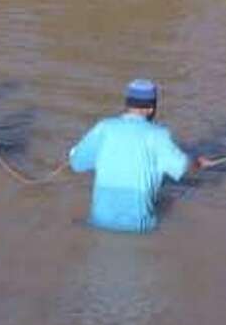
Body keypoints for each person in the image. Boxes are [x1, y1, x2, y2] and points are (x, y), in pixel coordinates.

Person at [68, 78, 210, 232]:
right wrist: (198, 163)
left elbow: (76, 163)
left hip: (99, 222)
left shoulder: (104, 127)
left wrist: (74, 153)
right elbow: (184, 167)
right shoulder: (159, 135)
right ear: (151, 108)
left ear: (127, 105)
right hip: (139, 227)